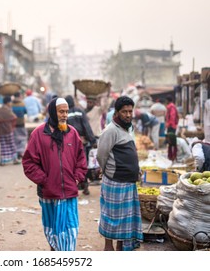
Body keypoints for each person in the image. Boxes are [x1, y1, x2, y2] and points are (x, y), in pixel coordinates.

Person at [22, 97, 88, 251]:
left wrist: (77, 177)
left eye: (66, 111)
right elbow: (29, 162)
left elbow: (81, 159)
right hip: (49, 194)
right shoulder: (39, 134)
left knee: (70, 232)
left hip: (69, 193)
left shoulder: (72, 133)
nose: (65, 115)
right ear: (52, 112)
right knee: (52, 234)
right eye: (61, 112)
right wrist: (45, 180)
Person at [97, 96, 143, 251]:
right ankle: (108, 247)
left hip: (128, 183)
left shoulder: (126, 129)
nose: (128, 115)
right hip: (115, 182)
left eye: (130, 111)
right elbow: (101, 155)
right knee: (111, 217)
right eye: (124, 112)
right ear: (117, 113)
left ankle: (120, 247)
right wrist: (105, 171)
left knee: (123, 220)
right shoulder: (110, 131)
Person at [65, 95, 97, 195]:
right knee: (83, 164)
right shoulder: (80, 111)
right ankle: (85, 185)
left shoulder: (64, 114)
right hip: (81, 142)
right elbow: (86, 127)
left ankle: (74, 186)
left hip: (69, 143)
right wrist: (92, 140)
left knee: (71, 165)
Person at [0, 96, 20, 166]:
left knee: (3, 146)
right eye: (10, 102)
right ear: (7, 102)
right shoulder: (8, 110)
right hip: (9, 130)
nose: (11, 103)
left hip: (1, 131)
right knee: (11, 145)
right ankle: (15, 159)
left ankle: (3, 161)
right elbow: (14, 117)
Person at [11, 92, 28, 159]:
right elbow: (25, 111)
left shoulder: (11, 104)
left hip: (14, 123)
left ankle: (15, 152)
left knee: (15, 138)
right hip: (21, 123)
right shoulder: (22, 104)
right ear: (19, 96)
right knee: (23, 137)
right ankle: (20, 152)